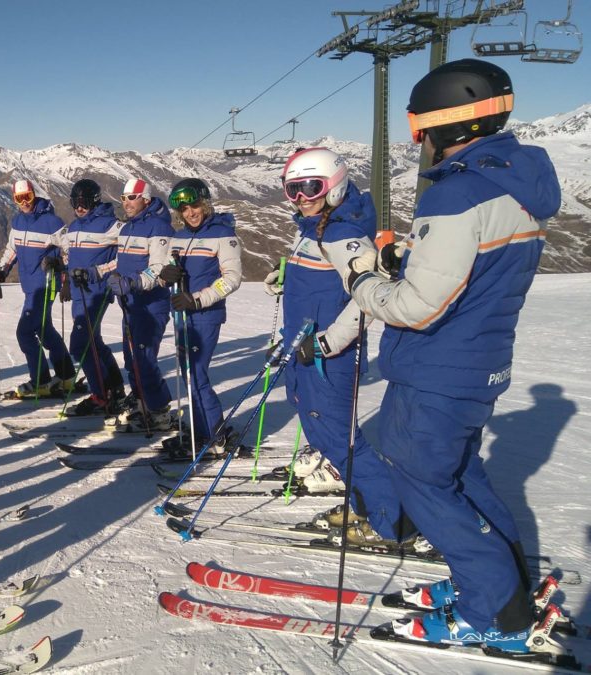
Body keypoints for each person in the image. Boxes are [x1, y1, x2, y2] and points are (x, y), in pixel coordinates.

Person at [331, 59, 561, 652]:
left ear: (440, 126)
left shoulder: (456, 193)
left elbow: (417, 308)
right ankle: (504, 587)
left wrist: (362, 281)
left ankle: (493, 614)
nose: (419, 143)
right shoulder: (512, 179)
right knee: (460, 474)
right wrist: (408, 258)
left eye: (420, 130)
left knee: (424, 484)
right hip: (475, 359)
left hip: (439, 365)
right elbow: (474, 271)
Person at [264, 147, 411, 543]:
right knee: (317, 424)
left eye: (310, 187)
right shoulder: (316, 228)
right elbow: (325, 281)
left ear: (335, 185)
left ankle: (389, 520)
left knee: (342, 440)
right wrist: (287, 280)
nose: (301, 198)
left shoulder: (343, 234)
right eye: (291, 189)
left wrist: (328, 343)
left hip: (326, 359)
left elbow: (370, 299)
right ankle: (358, 492)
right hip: (304, 349)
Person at [157, 178, 242, 456]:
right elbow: (167, 270)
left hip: (205, 314)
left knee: (196, 373)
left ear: (205, 203)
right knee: (188, 373)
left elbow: (232, 279)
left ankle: (215, 434)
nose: (190, 212)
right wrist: (165, 277)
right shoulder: (179, 236)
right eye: (184, 209)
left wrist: (197, 299)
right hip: (181, 312)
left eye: (194, 205)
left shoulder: (223, 234)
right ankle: (198, 428)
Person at [97, 178, 175, 430]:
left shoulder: (158, 228)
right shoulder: (127, 229)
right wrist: (94, 272)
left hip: (151, 305)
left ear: (146, 199)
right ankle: (143, 401)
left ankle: (160, 410)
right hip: (130, 304)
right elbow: (120, 263)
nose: (126, 202)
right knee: (132, 359)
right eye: (124, 197)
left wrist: (133, 283)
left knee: (144, 359)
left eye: (132, 197)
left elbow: (159, 269)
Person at [0, 179, 76, 398]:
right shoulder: (18, 221)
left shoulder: (51, 222)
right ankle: (66, 376)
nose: (24, 202)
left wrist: (61, 265)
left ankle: (40, 382)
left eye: (27, 197)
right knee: (44, 329)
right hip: (29, 284)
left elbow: (70, 248)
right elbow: (12, 249)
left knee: (25, 332)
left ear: (33, 194)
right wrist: (0, 272)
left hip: (46, 284)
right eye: (19, 198)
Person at [54, 179, 125, 415]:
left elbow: (126, 256)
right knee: (93, 341)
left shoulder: (112, 226)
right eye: (76, 201)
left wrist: (100, 272)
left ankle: (101, 396)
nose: (80, 207)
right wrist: (63, 274)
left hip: (97, 292)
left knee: (79, 345)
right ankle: (114, 387)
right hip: (77, 292)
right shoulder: (74, 227)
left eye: (84, 202)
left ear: (95, 201)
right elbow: (69, 255)